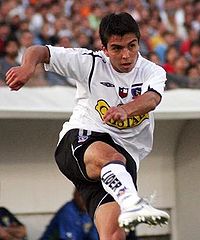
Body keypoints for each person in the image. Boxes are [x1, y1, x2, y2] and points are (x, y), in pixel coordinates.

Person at [5, 12, 170, 240]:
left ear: (139, 42)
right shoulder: (89, 62)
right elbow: (39, 51)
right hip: (82, 141)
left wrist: (125, 109)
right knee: (113, 158)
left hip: (125, 159)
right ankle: (133, 201)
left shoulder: (152, 71)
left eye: (132, 46)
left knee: (113, 235)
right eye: (117, 48)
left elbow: (152, 99)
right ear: (104, 48)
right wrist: (26, 68)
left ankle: (130, 200)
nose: (126, 55)